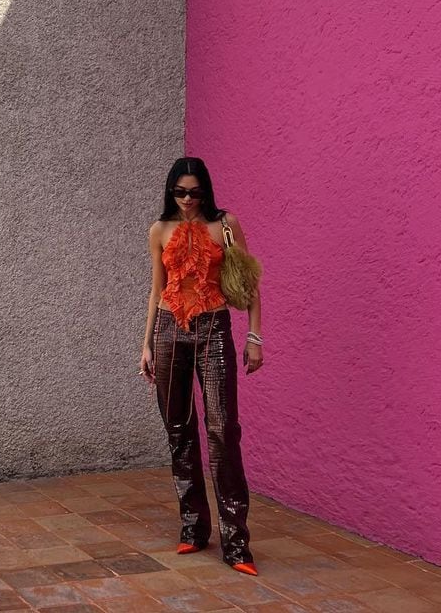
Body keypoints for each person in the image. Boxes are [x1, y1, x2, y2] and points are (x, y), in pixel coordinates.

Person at [138, 156, 263, 575]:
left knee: (223, 428)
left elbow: (249, 283)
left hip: (213, 327)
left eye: (194, 192)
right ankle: (193, 527)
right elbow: (157, 289)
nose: (187, 200)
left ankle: (237, 542)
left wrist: (254, 337)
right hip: (170, 329)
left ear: (206, 190)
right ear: (170, 191)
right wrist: (147, 344)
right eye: (180, 192)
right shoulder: (159, 231)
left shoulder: (224, 225)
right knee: (178, 427)